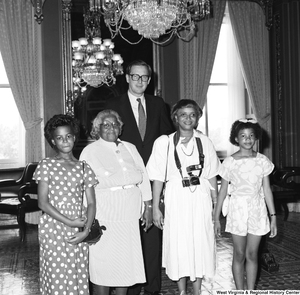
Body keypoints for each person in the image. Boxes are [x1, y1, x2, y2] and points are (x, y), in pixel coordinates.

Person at [104, 59, 174, 295]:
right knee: (129, 240)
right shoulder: (113, 104)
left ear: (149, 80)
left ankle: (153, 289)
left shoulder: (157, 103)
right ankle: (131, 288)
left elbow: (166, 141)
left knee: (153, 239)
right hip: (126, 183)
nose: (140, 81)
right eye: (136, 77)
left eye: (145, 77)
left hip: (154, 181)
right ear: (127, 77)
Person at [146, 99, 221, 295]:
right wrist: (155, 208)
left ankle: (197, 290)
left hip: (201, 199)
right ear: (175, 118)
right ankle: (181, 291)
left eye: (192, 114)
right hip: (176, 198)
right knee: (179, 243)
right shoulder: (164, 143)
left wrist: (216, 206)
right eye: (183, 115)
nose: (188, 118)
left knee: (200, 241)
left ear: (197, 118)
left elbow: (212, 175)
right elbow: (157, 179)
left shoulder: (204, 141)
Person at [79, 109, 153, 295]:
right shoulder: (90, 151)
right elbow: (83, 186)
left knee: (125, 264)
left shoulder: (130, 147)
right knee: (102, 264)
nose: (111, 128)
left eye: (115, 124)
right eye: (106, 125)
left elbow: (143, 177)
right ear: (98, 128)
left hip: (129, 215)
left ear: (120, 128)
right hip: (105, 215)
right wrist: (85, 216)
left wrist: (148, 206)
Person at [33, 114, 98, 295]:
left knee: (77, 272)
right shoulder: (46, 165)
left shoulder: (84, 167)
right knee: (56, 275)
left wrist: (85, 230)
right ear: (53, 141)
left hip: (79, 227)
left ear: (74, 137)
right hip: (54, 226)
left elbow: (91, 203)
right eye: (59, 138)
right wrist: (69, 222)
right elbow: (42, 202)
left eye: (68, 136)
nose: (65, 141)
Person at [213, 118, 277, 290]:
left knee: (252, 254)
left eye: (251, 135)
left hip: (257, 209)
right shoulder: (229, 162)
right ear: (236, 139)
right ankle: (240, 291)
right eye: (243, 135)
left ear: (256, 138)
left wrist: (273, 217)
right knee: (239, 254)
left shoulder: (263, 160)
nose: (247, 139)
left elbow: (267, 190)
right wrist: (216, 218)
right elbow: (222, 192)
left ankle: (250, 291)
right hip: (237, 210)